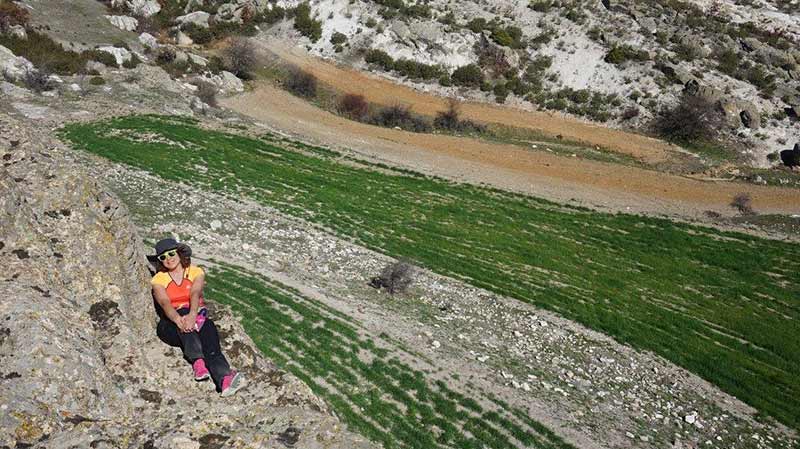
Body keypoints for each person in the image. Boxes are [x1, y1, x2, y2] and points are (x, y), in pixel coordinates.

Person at [148, 237, 245, 397]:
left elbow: (195, 292)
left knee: (209, 336)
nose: (168, 259)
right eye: (163, 257)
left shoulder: (195, 272)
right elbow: (164, 302)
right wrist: (178, 320)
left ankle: (224, 379)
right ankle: (198, 360)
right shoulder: (158, 279)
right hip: (170, 324)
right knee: (185, 318)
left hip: (196, 317)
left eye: (171, 254)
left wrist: (192, 315)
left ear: (179, 253)